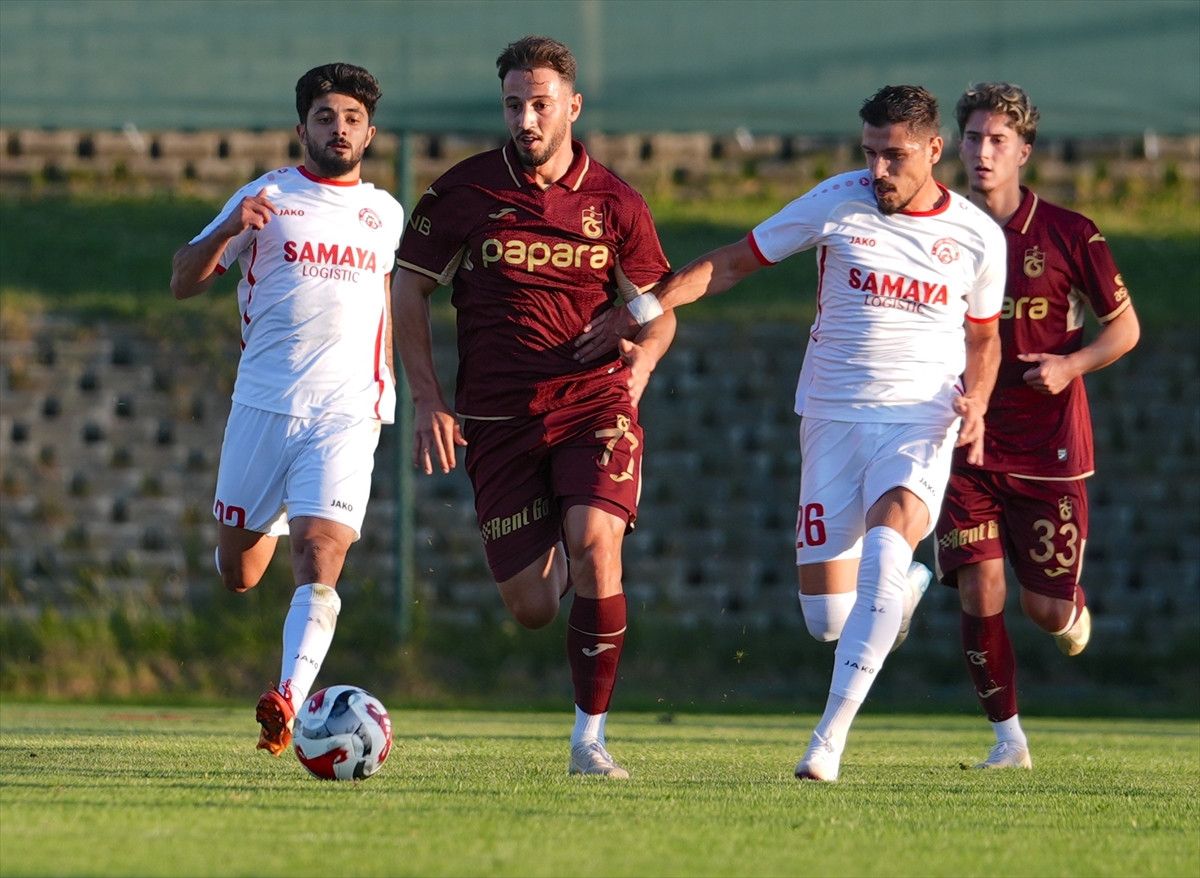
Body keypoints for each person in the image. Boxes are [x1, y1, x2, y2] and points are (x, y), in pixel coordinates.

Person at [577, 85, 1007, 782]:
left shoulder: (978, 237)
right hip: (831, 418)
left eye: (895, 156)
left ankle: (826, 741)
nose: (879, 171)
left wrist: (978, 401)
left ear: (934, 149)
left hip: (919, 419)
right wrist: (646, 306)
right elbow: (734, 261)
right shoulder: (836, 201)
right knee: (827, 619)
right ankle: (903, 590)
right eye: (869, 153)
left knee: (887, 545)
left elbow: (984, 339)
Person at [391, 35, 676, 779]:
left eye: (540, 104)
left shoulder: (616, 203)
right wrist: (427, 398)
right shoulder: (463, 192)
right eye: (513, 104)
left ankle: (589, 740)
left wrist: (641, 359)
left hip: (594, 406)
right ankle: (564, 533)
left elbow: (659, 308)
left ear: (572, 107)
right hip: (498, 421)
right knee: (533, 607)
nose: (526, 119)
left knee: (595, 544)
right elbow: (407, 287)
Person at [169, 63, 404, 756]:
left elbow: (392, 302)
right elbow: (182, 280)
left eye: (353, 119)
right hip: (264, 406)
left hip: (348, 411)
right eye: (326, 118)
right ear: (303, 128)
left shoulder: (386, 213)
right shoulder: (266, 195)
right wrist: (228, 229)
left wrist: (399, 388)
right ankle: (258, 528)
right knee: (241, 573)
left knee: (319, 551)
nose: (340, 130)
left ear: (370, 133)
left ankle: (288, 700)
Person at [935, 83, 1140, 770]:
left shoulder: (1070, 234)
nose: (983, 152)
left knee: (1045, 611)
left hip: (1049, 448)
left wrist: (1070, 365)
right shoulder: (942, 229)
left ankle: (1069, 608)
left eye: (998, 140)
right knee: (980, 587)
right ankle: (1008, 741)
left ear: (1023, 151)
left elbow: (1125, 329)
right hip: (968, 438)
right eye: (973, 138)